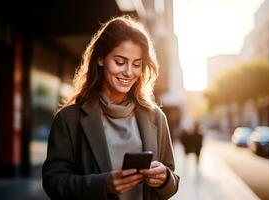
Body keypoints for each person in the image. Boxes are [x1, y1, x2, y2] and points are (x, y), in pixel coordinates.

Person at [42, 16, 179, 200]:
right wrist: (103, 184)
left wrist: (164, 179)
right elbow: (53, 183)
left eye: (137, 64)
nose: (129, 72)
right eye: (120, 62)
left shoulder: (155, 117)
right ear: (100, 59)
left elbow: (172, 181)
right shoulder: (69, 119)